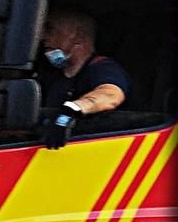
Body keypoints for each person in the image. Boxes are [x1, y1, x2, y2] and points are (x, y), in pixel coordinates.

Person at [34, 10, 131, 149]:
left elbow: (111, 94)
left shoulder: (103, 68)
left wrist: (71, 110)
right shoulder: (51, 75)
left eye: (50, 29)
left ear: (78, 36)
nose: (43, 36)